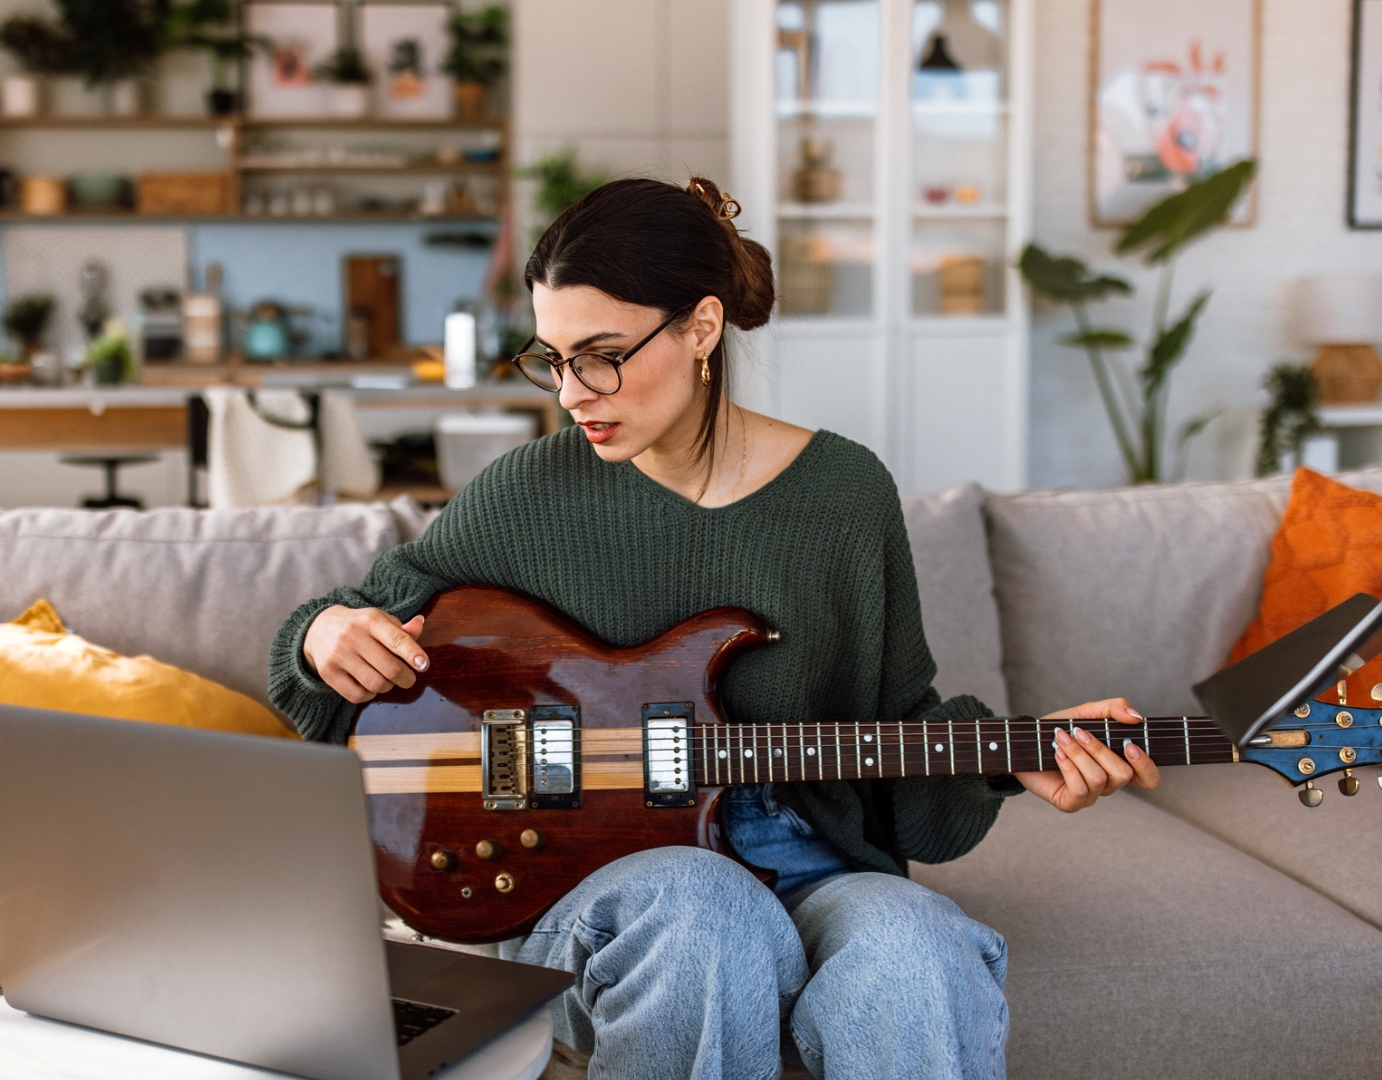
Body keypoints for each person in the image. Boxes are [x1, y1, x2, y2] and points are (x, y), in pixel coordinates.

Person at [268, 177, 1160, 1080]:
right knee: (703, 909)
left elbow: (896, 728)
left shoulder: (845, 496)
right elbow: (347, 648)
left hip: (817, 870)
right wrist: (324, 635)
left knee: (916, 949)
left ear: (701, 327)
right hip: (597, 886)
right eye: (555, 357)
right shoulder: (529, 492)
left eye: (604, 354)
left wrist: (1006, 760)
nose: (573, 394)